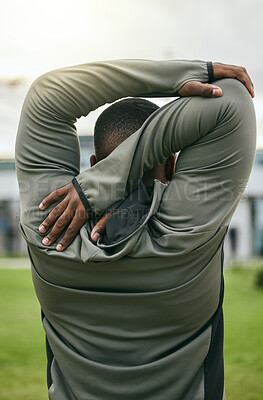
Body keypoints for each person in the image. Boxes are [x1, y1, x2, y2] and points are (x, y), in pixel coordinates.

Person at [15, 59, 256, 400]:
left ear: (94, 165)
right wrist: (106, 181)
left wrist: (93, 186)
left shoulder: (49, 228)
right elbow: (231, 98)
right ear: (172, 165)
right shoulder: (188, 231)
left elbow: (47, 93)